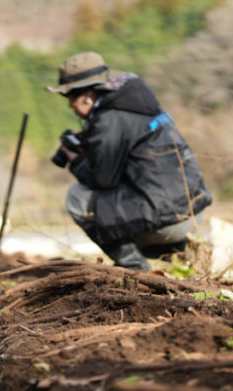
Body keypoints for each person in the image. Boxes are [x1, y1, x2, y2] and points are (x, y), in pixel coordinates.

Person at [46, 51, 212, 270]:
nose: (69, 105)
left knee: (77, 197)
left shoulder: (109, 120)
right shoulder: (138, 101)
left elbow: (102, 180)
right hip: (194, 212)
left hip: (165, 219)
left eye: (70, 97)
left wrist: (75, 159)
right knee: (124, 198)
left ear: (87, 94)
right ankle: (184, 251)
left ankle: (134, 267)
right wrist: (91, 142)